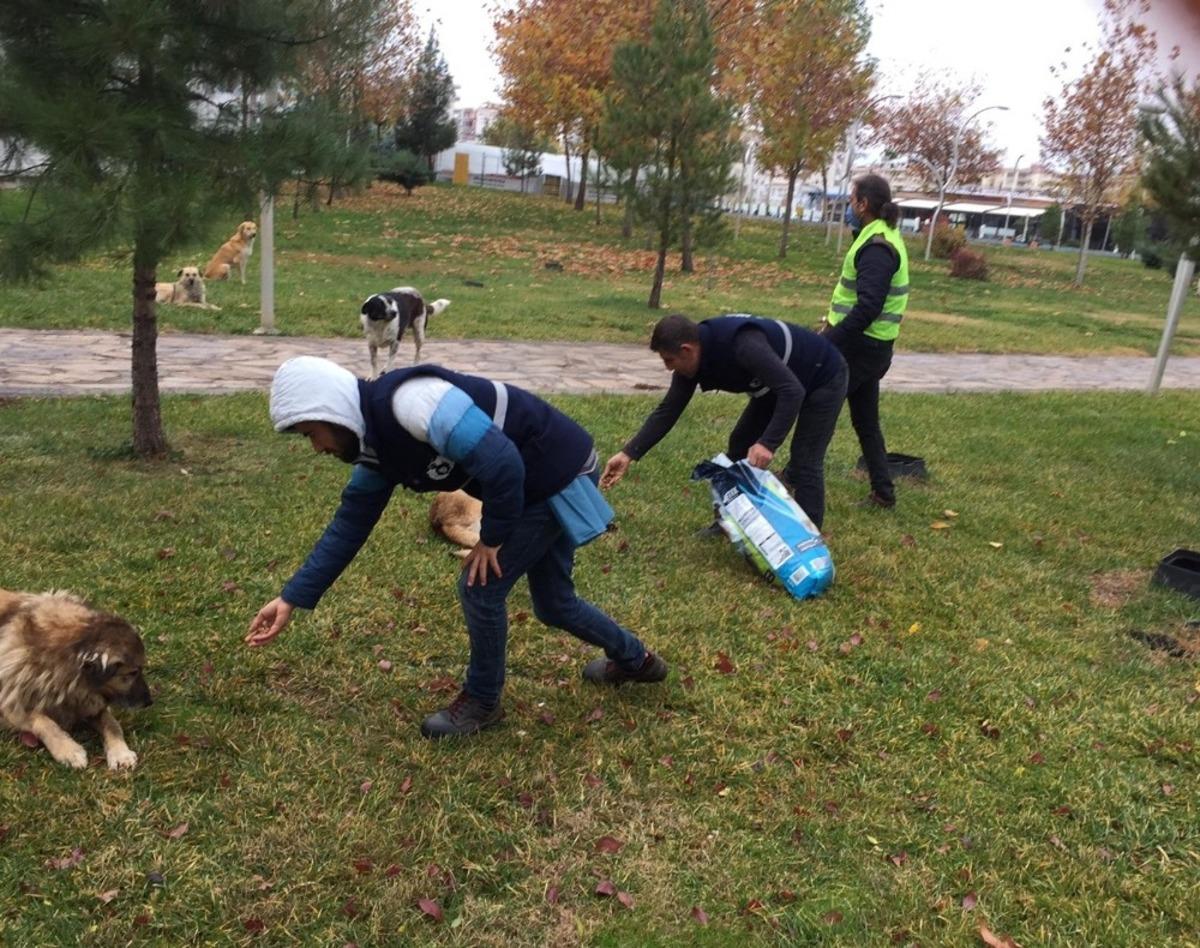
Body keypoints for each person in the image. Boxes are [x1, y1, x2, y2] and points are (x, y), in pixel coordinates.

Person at [246, 356, 667, 740]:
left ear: (328, 410)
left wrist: (493, 538)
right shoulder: (374, 447)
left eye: (311, 433)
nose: (316, 447)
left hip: (554, 474)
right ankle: (638, 661)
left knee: (479, 587)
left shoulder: (412, 403)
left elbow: (503, 464)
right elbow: (350, 525)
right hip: (538, 478)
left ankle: (482, 702)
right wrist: (293, 596)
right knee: (554, 602)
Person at [601, 314, 848, 531]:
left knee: (805, 458)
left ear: (686, 350)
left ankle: (809, 539)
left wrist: (768, 443)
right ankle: (730, 523)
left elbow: (792, 391)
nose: (668, 368)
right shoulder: (693, 361)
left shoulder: (742, 345)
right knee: (740, 443)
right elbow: (669, 409)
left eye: (669, 360)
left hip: (823, 375)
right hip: (774, 383)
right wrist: (628, 453)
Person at [820, 173, 910, 509]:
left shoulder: (877, 248)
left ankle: (796, 476)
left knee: (820, 407)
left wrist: (831, 339)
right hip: (872, 347)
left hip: (861, 347)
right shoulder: (879, 235)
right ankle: (884, 492)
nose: (848, 206)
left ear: (863, 204)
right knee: (866, 421)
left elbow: (868, 306)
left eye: (851, 200)